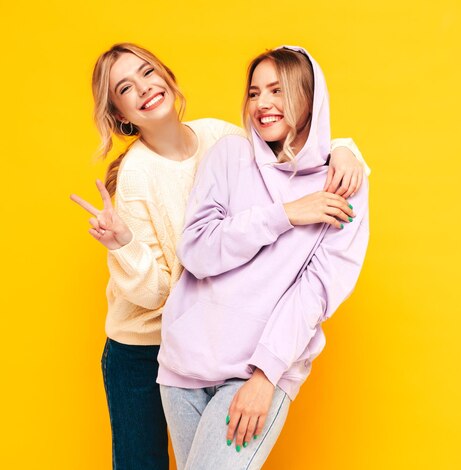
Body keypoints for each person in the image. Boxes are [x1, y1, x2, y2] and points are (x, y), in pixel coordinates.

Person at [70, 43, 369, 470]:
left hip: (229, 347)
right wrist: (124, 244)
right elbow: (162, 287)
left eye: (148, 72)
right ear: (120, 114)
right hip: (143, 344)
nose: (144, 88)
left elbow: (289, 139)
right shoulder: (138, 177)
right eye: (125, 88)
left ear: (168, 76)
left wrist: (345, 149)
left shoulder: (220, 137)